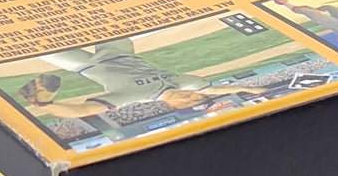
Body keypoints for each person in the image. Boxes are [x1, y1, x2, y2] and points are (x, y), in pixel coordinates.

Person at [26, 38, 265, 119]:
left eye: (187, 102)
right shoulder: (183, 81)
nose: (189, 96)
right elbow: (213, 90)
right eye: (195, 97)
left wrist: (45, 106)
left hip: (86, 63)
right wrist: (255, 91)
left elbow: (83, 111)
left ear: (171, 106)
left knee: (35, 42)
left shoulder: (136, 96)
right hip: (119, 50)